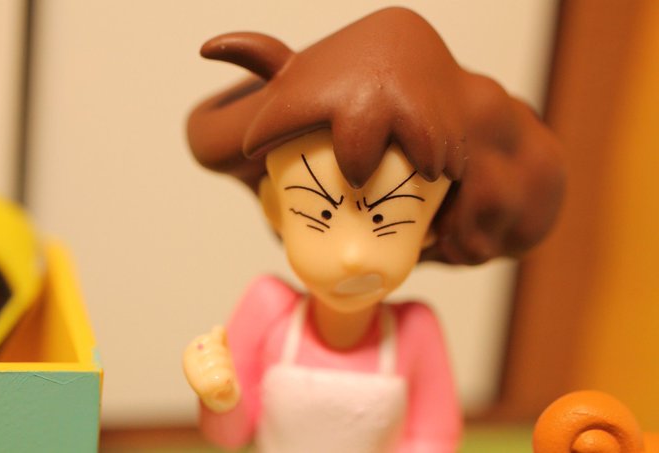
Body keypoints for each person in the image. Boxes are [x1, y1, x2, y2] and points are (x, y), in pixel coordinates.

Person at [183, 7, 564, 453]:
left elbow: (433, 437)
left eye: (385, 220)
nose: (352, 255)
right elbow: (231, 436)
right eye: (322, 216)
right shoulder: (268, 310)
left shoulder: (414, 332)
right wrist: (219, 396)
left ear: (429, 228)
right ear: (275, 209)